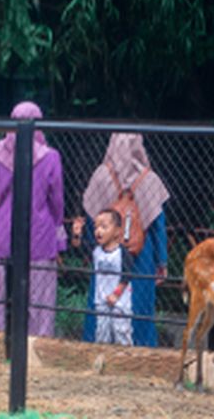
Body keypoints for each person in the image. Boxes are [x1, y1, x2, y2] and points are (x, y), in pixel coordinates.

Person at [0, 101, 65, 338]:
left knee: (2, 295)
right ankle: (36, 346)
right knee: (39, 299)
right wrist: (58, 233)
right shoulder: (50, 157)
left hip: (4, 234)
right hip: (39, 235)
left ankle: (0, 343)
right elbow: (57, 200)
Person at [75, 132, 170, 346]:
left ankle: (95, 345)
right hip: (141, 253)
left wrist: (93, 245)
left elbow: (92, 218)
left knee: (100, 298)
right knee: (140, 303)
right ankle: (140, 348)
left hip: (106, 249)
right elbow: (158, 227)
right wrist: (161, 261)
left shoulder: (101, 175)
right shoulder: (150, 180)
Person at [77, 207, 135, 345]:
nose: (98, 231)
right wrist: (77, 234)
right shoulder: (96, 250)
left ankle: (124, 359)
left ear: (117, 231)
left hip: (120, 302)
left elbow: (127, 275)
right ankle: (103, 358)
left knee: (121, 330)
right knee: (102, 332)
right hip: (102, 300)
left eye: (104, 227)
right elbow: (78, 247)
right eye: (96, 227)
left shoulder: (122, 253)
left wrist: (116, 294)